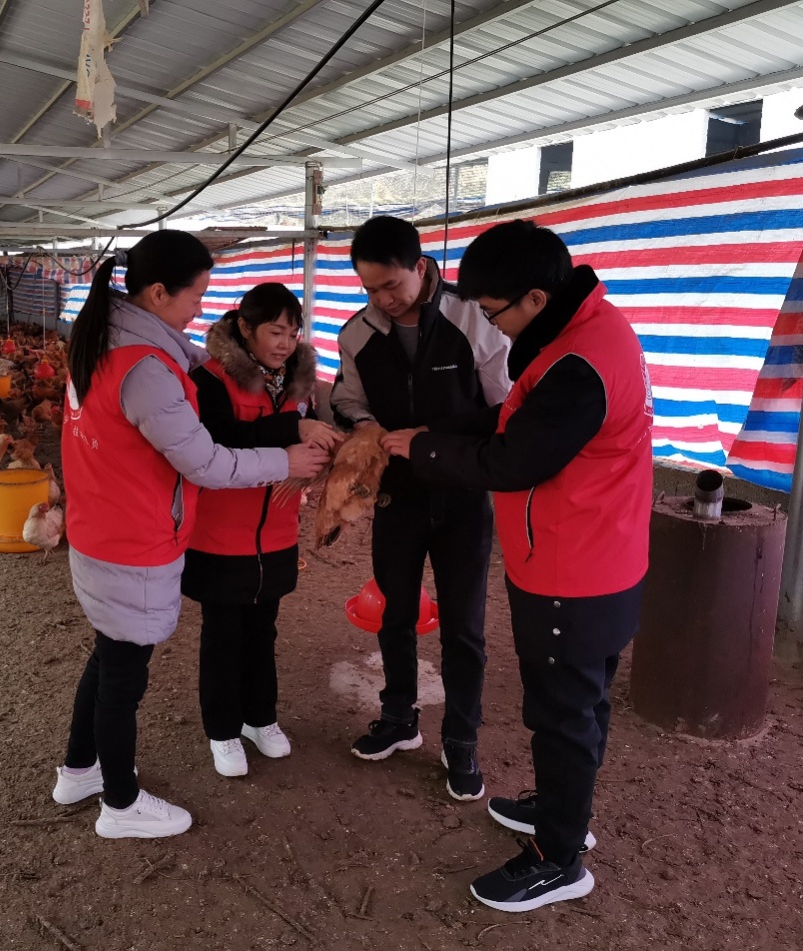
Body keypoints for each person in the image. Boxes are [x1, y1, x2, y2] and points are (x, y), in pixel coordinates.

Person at [382, 219, 654, 912]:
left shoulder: (581, 363)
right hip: (595, 554)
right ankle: (562, 809)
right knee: (580, 703)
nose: (493, 326)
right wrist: (435, 433)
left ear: (535, 297)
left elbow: (513, 460)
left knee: (563, 714)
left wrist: (424, 450)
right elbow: (514, 419)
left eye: (495, 310)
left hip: (574, 568)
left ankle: (558, 858)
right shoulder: (582, 331)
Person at [53, 232, 330, 839]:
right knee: (123, 676)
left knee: (109, 657)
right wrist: (286, 460)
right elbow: (204, 461)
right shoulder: (147, 368)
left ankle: (80, 768)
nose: (201, 309)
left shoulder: (101, 342)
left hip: (102, 528)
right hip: (133, 537)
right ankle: (120, 805)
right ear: (158, 293)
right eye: (196, 295)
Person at [330, 216, 511, 801]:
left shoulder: (473, 318)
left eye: (392, 285)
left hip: (463, 496)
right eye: (370, 289)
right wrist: (367, 430)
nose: (383, 299)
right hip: (397, 495)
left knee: (464, 626)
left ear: (421, 266)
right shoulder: (357, 333)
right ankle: (399, 717)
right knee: (396, 613)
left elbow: (505, 405)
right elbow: (347, 400)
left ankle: (461, 740)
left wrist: (436, 440)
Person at [181, 283, 341, 778]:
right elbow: (216, 440)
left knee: (263, 630)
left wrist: (319, 457)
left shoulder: (298, 382)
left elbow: (307, 435)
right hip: (219, 533)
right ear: (246, 328)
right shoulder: (209, 378)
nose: (286, 343)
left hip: (276, 531)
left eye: (293, 333)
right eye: (275, 332)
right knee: (222, 634)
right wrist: (291, 432)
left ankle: (260, 718)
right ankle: (222, 729)